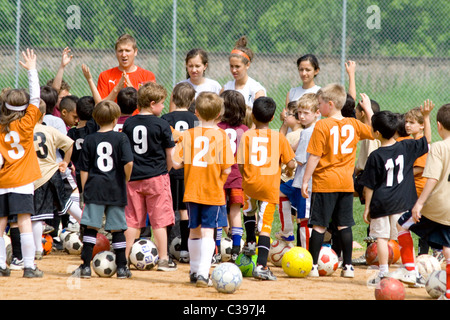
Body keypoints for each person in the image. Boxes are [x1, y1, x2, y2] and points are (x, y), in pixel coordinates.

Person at [301, 84, 374, 278]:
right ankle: (348, 266)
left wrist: (305, 180)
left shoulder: (322, 125)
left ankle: (314, 266)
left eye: (320, 104)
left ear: (330, 104)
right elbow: (375, 132)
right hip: (345, 183)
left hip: (325, 182)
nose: (318, 107)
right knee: (344, 225)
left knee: (319, 225)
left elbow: (315, 157)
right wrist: (368, 110)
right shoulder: (354, 124)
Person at [359, 102, 432, 286]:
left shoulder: (375, 156)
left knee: (382, 238)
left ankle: (383, 272)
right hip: (403, 201)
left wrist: (367, 207)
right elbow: (427, 141)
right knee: (403, 233)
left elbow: (369, 186)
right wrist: (426, 117)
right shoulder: (406, 146)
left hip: (382, 203)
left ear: (376, 134)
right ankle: (410, 270)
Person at [172, 91, 234, 287]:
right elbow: (228, 167)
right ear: (219, 115)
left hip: (191, 189)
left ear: (196, 112)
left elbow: (175, 164)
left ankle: (193, 270)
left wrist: (178, 144)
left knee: (193, 231)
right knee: (208, 232)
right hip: (212, 191)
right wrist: (219, 182)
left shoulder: (188, 135)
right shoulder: (221, 136)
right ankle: (203, 274)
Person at [394, 103, 450, 299]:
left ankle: (410, 269)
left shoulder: (438, 147)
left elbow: (432, 177)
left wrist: (419, 203)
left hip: (435, 206)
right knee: (448, 247)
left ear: (439, 125)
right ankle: (448, 293)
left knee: (402, 225)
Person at [73, 100, 134, 279]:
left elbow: (83, 169)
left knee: (91, 228)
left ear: (96, 118)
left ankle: (85, 266)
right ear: (116, 119)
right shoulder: (121, 138)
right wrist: (126, 178)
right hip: (115, 188)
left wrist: (85, 190)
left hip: (95, 188)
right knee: (117, 229)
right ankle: (122, 268)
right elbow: (129, 162)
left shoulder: (90, 139)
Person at [237, 97, 296, 280]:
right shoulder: (279, 137)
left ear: (252, 116)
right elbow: (291, 163)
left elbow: (240, 164)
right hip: (269, 186)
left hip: (250, 183)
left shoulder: (247, 135)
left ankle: (249, 243)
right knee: (265, 226)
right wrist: (288, 168)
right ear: (272, 119)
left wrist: (246, 176)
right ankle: (262, 266)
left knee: (249, 211)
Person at [122, 82, 177, 271]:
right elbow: (170, 154)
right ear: (152, 103)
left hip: (134, 178)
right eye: (161, 103)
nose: (163, 107)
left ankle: (125, 257)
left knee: (132, 219)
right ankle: (163, 259)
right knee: (159, 220)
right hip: (157, 177)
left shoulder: (129, 123)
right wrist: (166, 171)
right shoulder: (162, 124)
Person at [0, 48, 43, 278]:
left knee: (1, 222)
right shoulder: (27, 124)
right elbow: (36, 97)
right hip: (22, 181)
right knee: (24, 220)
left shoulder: (0, 126)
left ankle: (1, 265)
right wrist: (32, 70)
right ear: (24, 108)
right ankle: (29, 266)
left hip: (2, 180)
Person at [32, 99, 75, 259]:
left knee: (36, 216)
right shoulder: (49, 130)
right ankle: (89, 229)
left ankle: (37, 250)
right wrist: (66, 162)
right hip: (54, 172)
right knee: (66, 204)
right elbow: (69, 144)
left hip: (37, 177)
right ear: (43, 115)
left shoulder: (25, 131)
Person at [161, 82, 198, 263]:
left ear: (173, 99)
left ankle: (166, 251)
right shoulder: (195, 120)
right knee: (184, 211)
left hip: (169, 169)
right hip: (188, 170)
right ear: (192, 100)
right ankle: (184, 249)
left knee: (168, 210)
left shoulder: (166, 118)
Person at [216, 90, 249, 262]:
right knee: (236, 213)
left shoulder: (216, 129)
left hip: (219, 177)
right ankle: (236, 249)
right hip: (237, 177)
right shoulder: (245, 130)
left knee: (218, 212)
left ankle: (215, 251)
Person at [289, 93, 321, 249]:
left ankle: (305, 253)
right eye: (299, 112)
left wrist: (288, 154)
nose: (301, 116)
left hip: (305, 181)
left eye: (305, 113)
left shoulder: (307, 132)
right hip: (316, 181)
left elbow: (300, 159)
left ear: (316, 113)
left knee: (304, 218)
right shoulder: (320, 127)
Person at [97, 34, 156, 101]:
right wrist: (116, 90)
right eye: (120, 51)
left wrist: (133, 91)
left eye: (127, 51)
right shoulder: (105, 76)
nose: (124, 55)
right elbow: (101, 108)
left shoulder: (148, 76)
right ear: (116, 52)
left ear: (135, 52)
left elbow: (151, 106)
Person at [277, 100, 303, 242]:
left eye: (289, 114)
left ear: (298, 118)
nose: (285, 116)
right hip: (299, 178)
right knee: (299, 214)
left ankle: (286, 230)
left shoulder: (292, 136)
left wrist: (287, 168)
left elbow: (282, 147)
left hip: (290, 178)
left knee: (279, 195)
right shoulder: (302, 133)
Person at [280, 54, 320, 136]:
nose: (304, 73)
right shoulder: (292, 92)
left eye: (308, 70)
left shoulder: (320, 92)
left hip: (310, 137)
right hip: (291, 138)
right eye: (301, 70)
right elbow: (286, 121)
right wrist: (283, 116)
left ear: (316, 71)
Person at [221, 36, 266, 108]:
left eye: (237, 66)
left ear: (247, 65)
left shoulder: (256, 90)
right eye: (231, 66)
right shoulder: (226, 88)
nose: (234, 70)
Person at [67, 96, 96, 193]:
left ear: (77, 112)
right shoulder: (94, 127)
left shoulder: (71, 133)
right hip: (93, 172)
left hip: (78, 173)